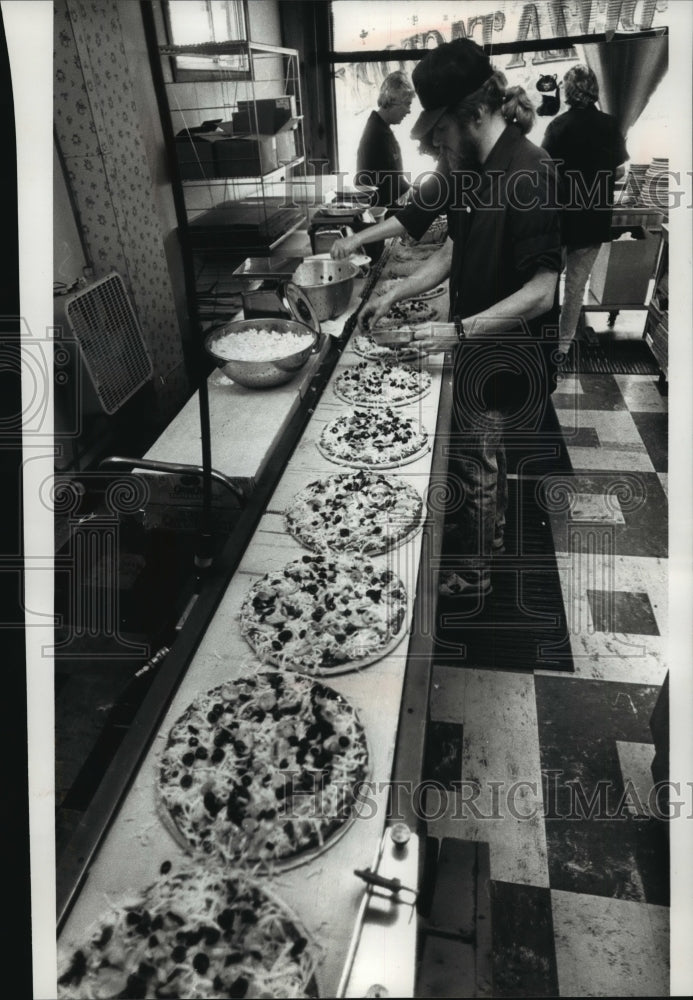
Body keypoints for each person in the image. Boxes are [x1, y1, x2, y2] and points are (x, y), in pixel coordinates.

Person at [360, 38, 563, 600]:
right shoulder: (478, 167)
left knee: (478, 464)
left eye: (442, 131)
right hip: (476, 340)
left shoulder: (531, 172)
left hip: (506, 351)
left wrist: (456, 330)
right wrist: (400, 288)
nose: (439, 145)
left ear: (474, 113)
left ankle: (474, 575)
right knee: (479, 460)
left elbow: (542, 291)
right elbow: (455, 252)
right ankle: (487, 536)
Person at [541, 65, 629, 356]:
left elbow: (544, 172)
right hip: (592, 218)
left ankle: (543, 336)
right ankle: (563, 346)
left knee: (548, 280)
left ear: (568, 90)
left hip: (559, 218)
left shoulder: (558, 126)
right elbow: (618, 172)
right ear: (594, 89)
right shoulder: (610, 124)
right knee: (576, 287)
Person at [355, 70, 415, 209]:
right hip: (380, 212)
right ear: (392, 100)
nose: (409, 111)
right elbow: (394, 184)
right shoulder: (377, 135)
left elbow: (394, 177)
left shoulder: (380, 128)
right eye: (407, 104)